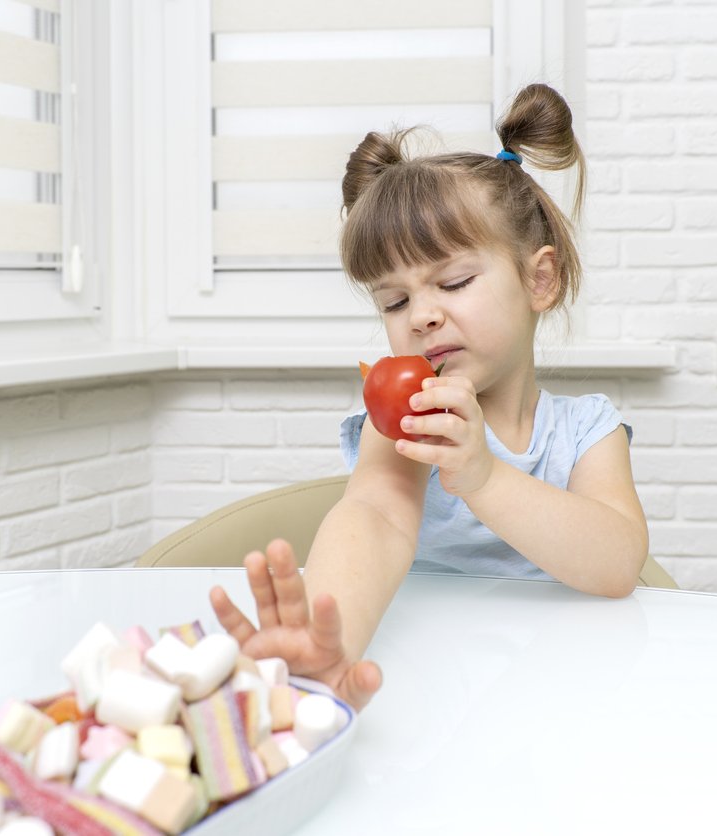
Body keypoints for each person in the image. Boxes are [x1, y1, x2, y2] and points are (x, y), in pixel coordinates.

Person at [209, 83, 649, 712]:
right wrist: (330, 645)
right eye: (394, 300)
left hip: (565, 688)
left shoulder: (586, 431)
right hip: (428, 684)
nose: (420, 316)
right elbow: (374, 518)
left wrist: (482, 475)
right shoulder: (408, 421)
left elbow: (616, 566)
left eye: (454, 281)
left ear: (539, 278)